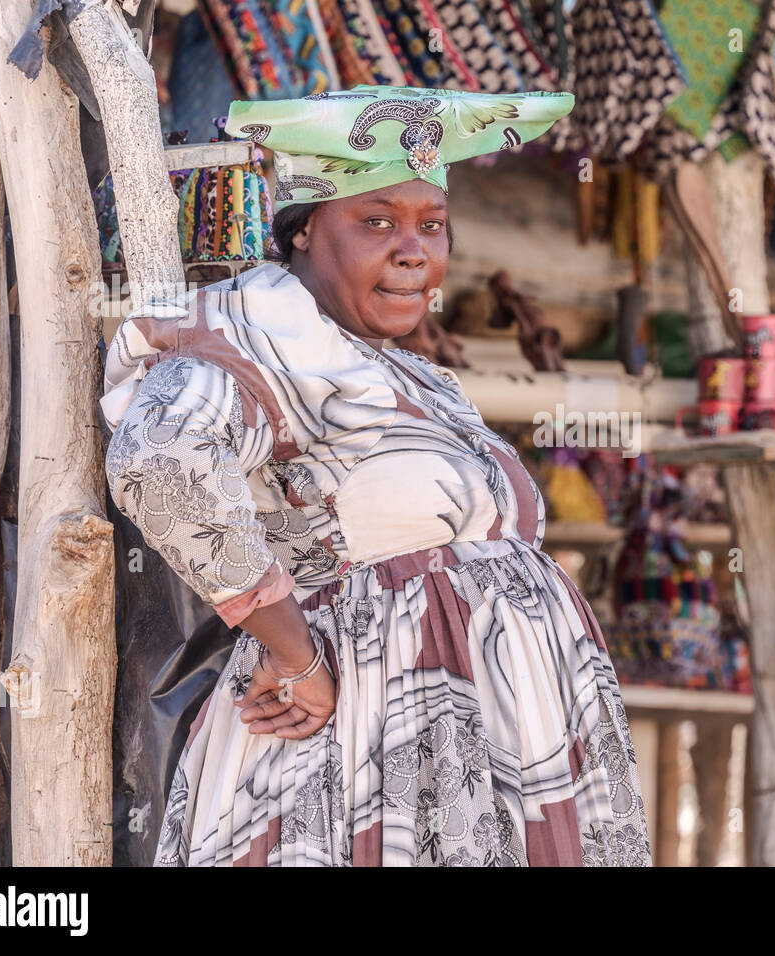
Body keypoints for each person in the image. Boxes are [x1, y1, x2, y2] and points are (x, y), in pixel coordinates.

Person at [101, 86, 651, 866]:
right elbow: (159, 462)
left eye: (432, 225)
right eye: (377, 221)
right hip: (366, 755)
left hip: (489, 750)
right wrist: (296, 655)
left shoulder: (417, 379)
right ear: (300, 234)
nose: (413, 250)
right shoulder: (265, 337)